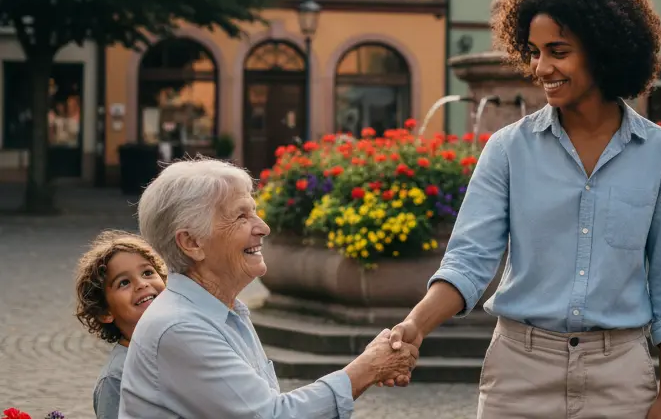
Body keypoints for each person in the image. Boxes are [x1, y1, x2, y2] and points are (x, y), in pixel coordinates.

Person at [386, 0, 661, 418]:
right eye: (534, 51)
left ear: (603, 51)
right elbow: (469, 261)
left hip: (620, 378)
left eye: (558, 51)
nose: (541, 67)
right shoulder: (508, 149)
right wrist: (416, 323)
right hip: (520, 373)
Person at [120, 157, 419, 419]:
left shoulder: (223, 310)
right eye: (241, 216)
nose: (263, 227)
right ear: (192, 243)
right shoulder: (179, 327)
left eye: (254, 212)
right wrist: (368, 367)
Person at [74, 230, 168, 419]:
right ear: (105, 312)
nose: (141, 284)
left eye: (148, 272)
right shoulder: (116, 379)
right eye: (123, 282)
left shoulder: (183, 348)